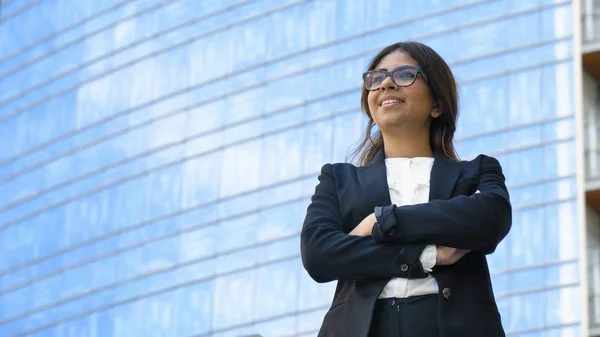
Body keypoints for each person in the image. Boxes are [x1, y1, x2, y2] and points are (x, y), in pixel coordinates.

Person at [300, 42, 512, 337]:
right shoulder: (338, 179)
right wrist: (426, 255)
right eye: (376, 78)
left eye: (404, 74)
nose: (386, 83)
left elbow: (491, 219)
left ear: (437, 104)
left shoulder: (476, 172)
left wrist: (382, 222)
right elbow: (318, 254)